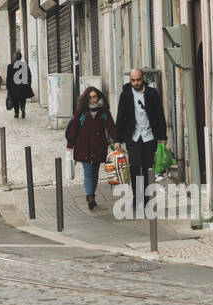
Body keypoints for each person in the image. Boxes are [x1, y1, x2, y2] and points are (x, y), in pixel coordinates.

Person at [115, 68, 167, 205]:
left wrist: (163, 137)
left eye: (138, 80)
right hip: (133, 136)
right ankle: (136, 196)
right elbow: (120, 117)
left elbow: (160, 115)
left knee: (147, 167)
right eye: (133, 80)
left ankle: (145, 197)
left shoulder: (152, 94)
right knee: (134, 166)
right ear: (130, 80)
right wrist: (118, 140)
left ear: (142, 79)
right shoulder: (125, 95)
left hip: (149, 136)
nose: (136, 83)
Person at [66, 87, 115, 210]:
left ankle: (91, 193)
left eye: (94, 97)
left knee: (95, 172)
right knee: (88, 172)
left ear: (98, 97)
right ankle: (90, 195)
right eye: (90, 97)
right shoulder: (81, 111)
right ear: (86, 99)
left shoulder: (104, 111)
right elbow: (75, 127)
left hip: (99, 145)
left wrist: (117, 140)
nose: (92, 100)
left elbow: (111, 126)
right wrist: (70, 144)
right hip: (84, 145)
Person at [5, 51, 35, 119]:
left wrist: (8, 87)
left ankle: (16, 113)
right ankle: (23, 108)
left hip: (14, 87)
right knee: (22, 98)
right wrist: (28, 84)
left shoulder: (10, 66)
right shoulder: (25, 65)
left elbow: (8, 78)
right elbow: (29, 75)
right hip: (23, 86)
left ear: (14, 58)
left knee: (15, 100)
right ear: (20, 57)